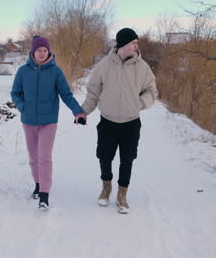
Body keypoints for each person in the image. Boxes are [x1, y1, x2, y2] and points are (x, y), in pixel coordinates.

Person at [81, 28, 158, 214]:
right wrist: (83, 112)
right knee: (104, 157)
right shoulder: (105, 65)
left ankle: (122, 194)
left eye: (136, 43)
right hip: (108, 121)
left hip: (131, 122)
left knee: (127, 159)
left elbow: (151, 91)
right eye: (134, 43)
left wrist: (140, 103)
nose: (136, 46)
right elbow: (93, 92)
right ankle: (106, 187)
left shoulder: (142, 67)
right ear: (123, 44)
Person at [11, 36, 86, 211]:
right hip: (28, 121)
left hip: (48, 121)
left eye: (45, 50)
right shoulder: (23, 71)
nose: (42, 53)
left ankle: (44, 195)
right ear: (33, 52)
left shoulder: (56, 72)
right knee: (33, 157)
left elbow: (66, 95)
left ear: (49, 51)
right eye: (39, 50)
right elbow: (15, 93)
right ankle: (37, 185)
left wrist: (78, 111)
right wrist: (23, 107)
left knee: (44, 157)